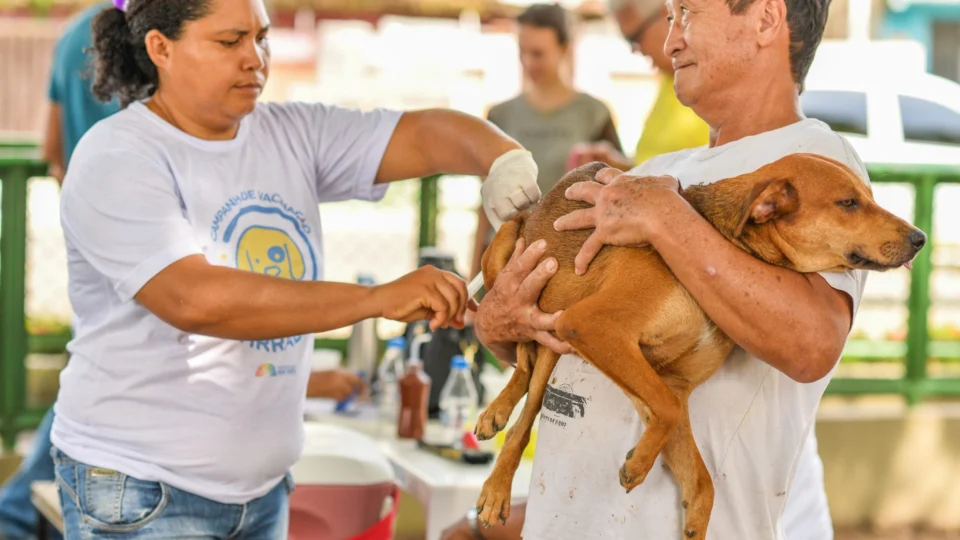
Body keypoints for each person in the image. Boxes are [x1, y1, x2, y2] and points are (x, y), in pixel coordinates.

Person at [49, 0, 541, 536]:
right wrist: (377, 300)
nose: (254, 59)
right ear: (160, 48)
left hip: (263, 493)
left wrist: (503, 161)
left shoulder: (291, 133)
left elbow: (424, 134)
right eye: (229, 40)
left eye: (262, 37)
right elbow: (195, 300)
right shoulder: (117, 155)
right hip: (143, 488)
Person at [472, 0, 869, 538]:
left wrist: (669, 221)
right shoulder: (660, 171)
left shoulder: (818, 163)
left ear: (766, 19)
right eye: (670, 18)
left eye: (687, 13)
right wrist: (499, 324)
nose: (670, 41)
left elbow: (812, 343)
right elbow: (560, 332)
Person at [0, 5, 119, 539]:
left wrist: (88, 212)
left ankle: (19, 514)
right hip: (161, 244)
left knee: (95, 372)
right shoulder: (162, 31)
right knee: (98, 383)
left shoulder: (74, 32)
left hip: (93, 239)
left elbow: (53, 150)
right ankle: (17, 514)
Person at [470, 3, 621, 277]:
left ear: (565, 49)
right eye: (522, 52)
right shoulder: (499, 114)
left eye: (538, 53)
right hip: (507, 260)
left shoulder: (594, 114)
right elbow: (484, 202)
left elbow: (622, 184)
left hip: (571, 262)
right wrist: (474, 275)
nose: (528, 63)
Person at [567, 0, 709, 171]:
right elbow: (661, 172)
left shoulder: (713, 82)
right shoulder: (668, 82)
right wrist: (619, 166)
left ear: (668, 15)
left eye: (634, 37)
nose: (635, 50)